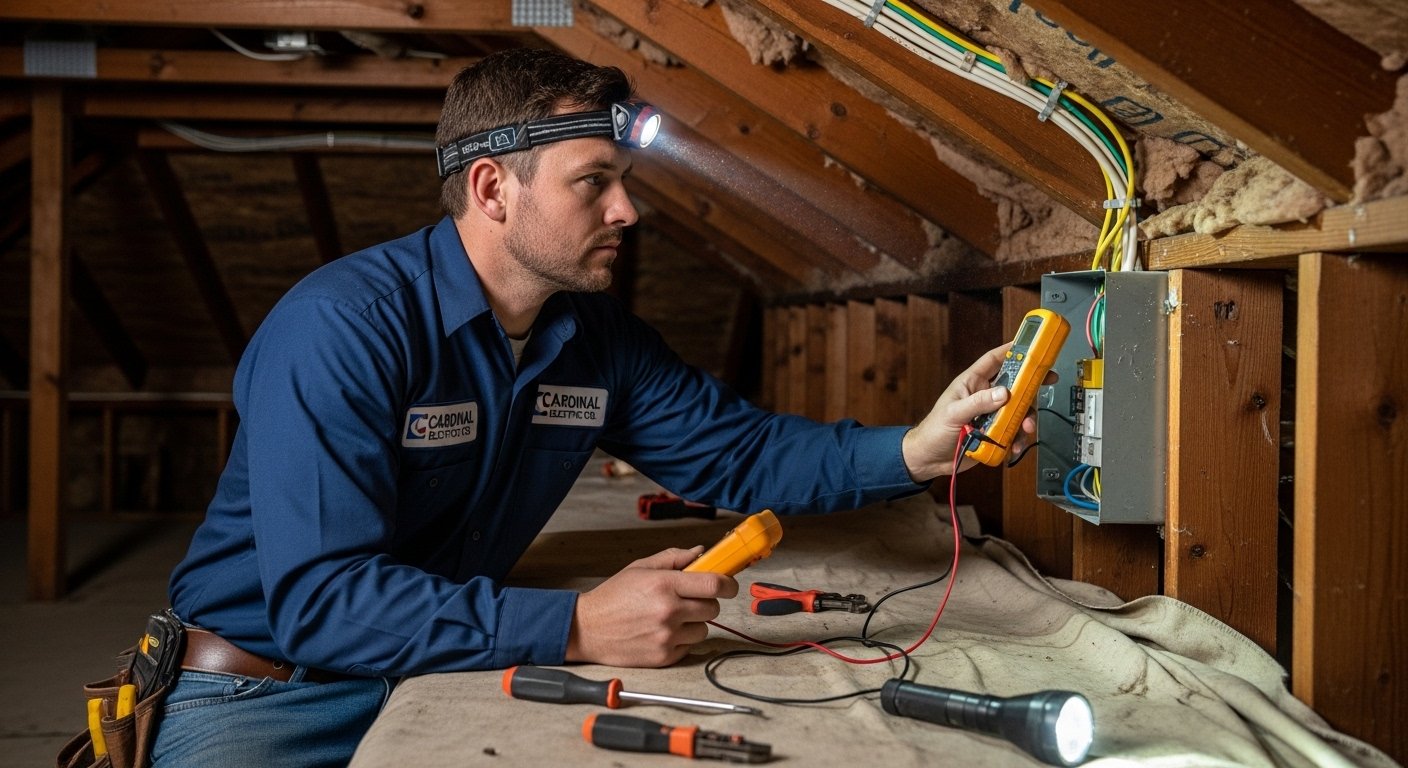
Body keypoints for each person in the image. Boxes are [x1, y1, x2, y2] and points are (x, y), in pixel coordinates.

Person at [149, 47, 1030, 767]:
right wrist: (575, 625)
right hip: (270, 691)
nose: (628, 210)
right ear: (494, 189)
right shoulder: (343, 327)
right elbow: (323, 601)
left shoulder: (595, 337)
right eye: (594, 181)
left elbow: (740, 455)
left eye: (626, 179)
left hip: (445, 655)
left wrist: (914, 451)